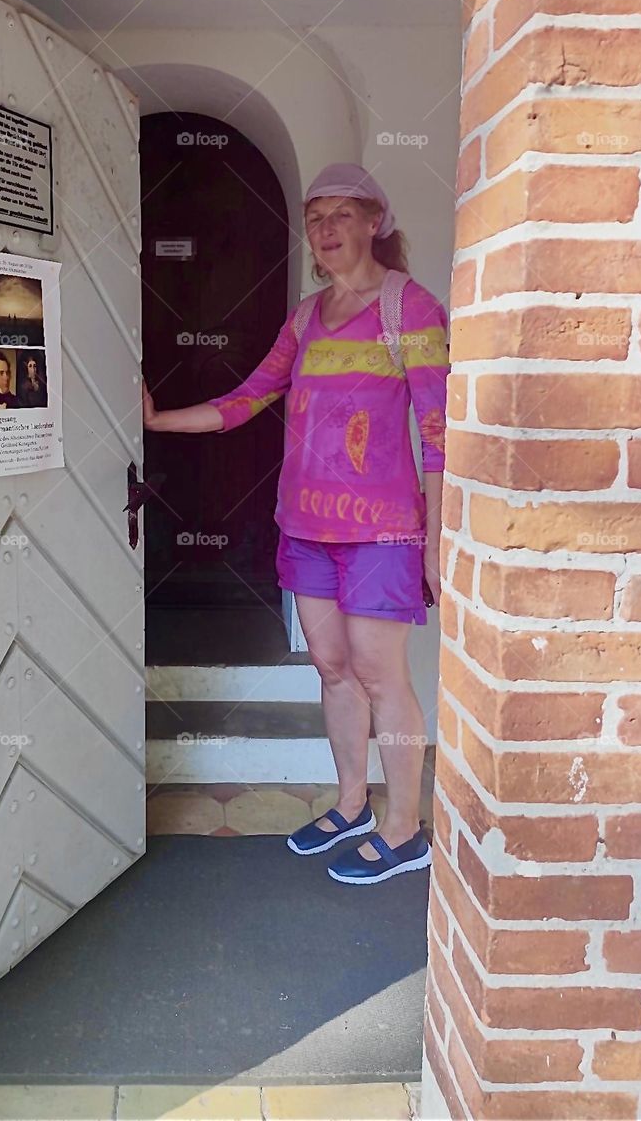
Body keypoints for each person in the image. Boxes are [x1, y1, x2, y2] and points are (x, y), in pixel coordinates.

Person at [142, 163, 449, 885]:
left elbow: (438, 432)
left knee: (379, 674)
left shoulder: (412, 308)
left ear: (377, 222)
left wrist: (437, 539)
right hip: (305, 526)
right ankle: (351, 805)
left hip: (384, 533)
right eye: (316, 217)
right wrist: (159, 421)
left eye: (343, 214)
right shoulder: (307, 317)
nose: (327, 228)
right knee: (333, 668)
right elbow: (250, 397)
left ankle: (405, 829)